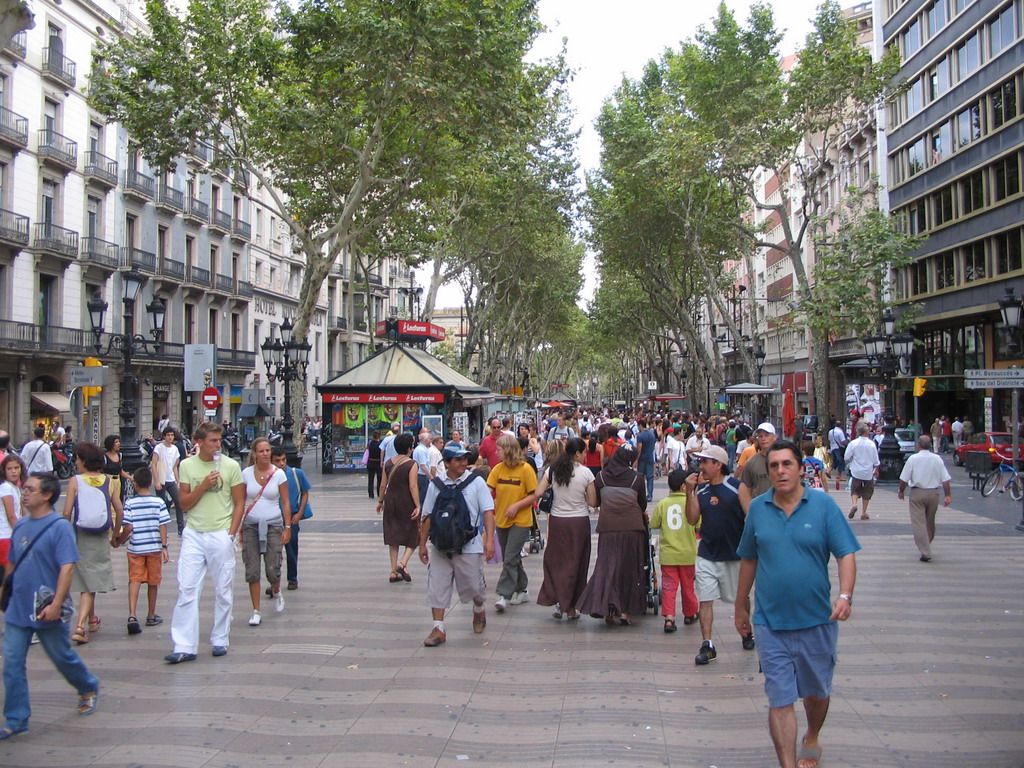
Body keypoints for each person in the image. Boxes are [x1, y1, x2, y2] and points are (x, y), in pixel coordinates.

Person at [734, 440, 860, 768]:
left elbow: (846, 553)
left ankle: (813, 736)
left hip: (817, 619)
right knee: (780, 697)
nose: (780, 471)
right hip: (770, 622)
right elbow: (748, 558)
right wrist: (740, 604)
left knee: (817, 693)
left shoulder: (823, 506)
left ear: (802, 469)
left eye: (787, 464)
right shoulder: (759, 509)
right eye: (774, 466)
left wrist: (845, 596)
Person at [2, 472, 100, 739]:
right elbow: (12, 562)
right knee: (11, 663)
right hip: (18, 608)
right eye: (25, 488)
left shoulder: (59, 527)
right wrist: (4, 592)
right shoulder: (21, 525)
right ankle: (16, 717)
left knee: (61, 656)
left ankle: (88, 685)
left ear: (47, 495)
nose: (25, 492)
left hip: (46, 608)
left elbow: (67, 568)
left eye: (31, 489)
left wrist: (57, 604)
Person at [165, 421, 245, 663]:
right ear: (199, 442)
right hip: (194, 533)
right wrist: (203, 486)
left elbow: (239, 501)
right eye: (212, 440)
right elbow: (184, 503)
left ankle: (220, 638)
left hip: (220, 532)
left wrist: (231, 533)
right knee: (187, 588)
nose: (217, 445)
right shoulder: (188, 465)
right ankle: (184, 644)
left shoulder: (231, 466)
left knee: (223, 588)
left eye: (219, 440)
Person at [418, 446, 496, 647]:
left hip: (469, 545)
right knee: (437, 587)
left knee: (474, 587)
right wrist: (422, 544)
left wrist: (488, 541)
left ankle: (478, 610)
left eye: (464, 459)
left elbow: (488, 511)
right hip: (440, 546)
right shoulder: (436, 484)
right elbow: (426, 515)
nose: (463, 463)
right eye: (458, 460)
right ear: (447, 463)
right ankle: (438, 628)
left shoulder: (476, 482)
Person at [684, 445, 752, 664]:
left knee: (740, 599)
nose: (701, 466)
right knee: (705, 600)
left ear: (718, 465)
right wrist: (689, 492)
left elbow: (750, 515)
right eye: (700, 462)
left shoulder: (736, 487)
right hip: (707, 554)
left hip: (734, 554)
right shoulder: (701, 491)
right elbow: (692, 519)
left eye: (705, 462)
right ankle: (707, 644)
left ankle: (745, 629)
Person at [576, 443, 647, 625]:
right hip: (632, 529)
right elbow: (642, 505)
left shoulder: (601, 476)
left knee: (607, 566)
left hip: (608, 528)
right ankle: (624, 611)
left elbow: (597, 500)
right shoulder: (636, 478)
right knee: (628, 568)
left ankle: (606, 606)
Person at [62, 442, 124, 645]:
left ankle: (80, 626)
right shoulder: (108, 480)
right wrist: (115, 534)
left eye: (78, 459)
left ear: (84, 461)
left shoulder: (75, 481)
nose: (76, 463)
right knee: (92, 579)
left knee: (87, 581)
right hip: (100, 535)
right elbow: (120, 511)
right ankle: (90, 620)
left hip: (80, 535)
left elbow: (66, 513)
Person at [536, 437, 598, 620]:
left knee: (557, 562)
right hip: (578, 522)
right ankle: (571, 606)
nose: (585, 455)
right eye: (584, 452)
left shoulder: (552, 470)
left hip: (557, 521)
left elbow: (539, 493)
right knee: (577, 563)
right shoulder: (586, 473)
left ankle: (558, 601)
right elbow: (593, 502)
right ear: (577, 453)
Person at [240, 438, 291, 626]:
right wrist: (237, 527)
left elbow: (285, 502)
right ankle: (256, 610)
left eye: (267, 450)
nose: (265, 454)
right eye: (261, 451)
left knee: (272, 567)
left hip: (273, 524)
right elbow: (240, 501)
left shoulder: (278, 474)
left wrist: (287, 527)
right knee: (252, 569)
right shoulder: (245, 473)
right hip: (251, 525)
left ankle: (276, 590)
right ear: (254, 453)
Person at [117, 466, 170, 635]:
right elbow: (163, 525)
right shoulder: (159, 502)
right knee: (153, 582)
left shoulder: (130, 503)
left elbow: (128, 527)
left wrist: (120, 539)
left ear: (136, 485)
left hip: (136, 547)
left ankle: (132, 615)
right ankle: (151, 614)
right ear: (150, 484)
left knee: (134, 580)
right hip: (154, 548)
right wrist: (164, 546)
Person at [488, 434, 538, 612]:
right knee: (513, 558)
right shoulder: (498, 469)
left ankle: (503, 595)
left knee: (509, 557)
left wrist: (517, 506)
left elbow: (534, 494)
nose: (496, 452)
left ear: (508, 450)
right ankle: (522, 589)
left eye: (499, 449)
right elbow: (489, 489)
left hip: (521, 520)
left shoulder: (525, 469)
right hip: (502, 519)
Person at [650, 468, 698, 632]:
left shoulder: (663, 504)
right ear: (685, 487)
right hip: (687, 554)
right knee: (688, 587)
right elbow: (698, 525)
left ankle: (669, 618)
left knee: (669, 587)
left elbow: (654, 524)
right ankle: (690, 613)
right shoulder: (691, 503)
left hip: (668, 555)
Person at [897, 436, 951, 563]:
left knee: (919, 523)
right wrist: (948, 495)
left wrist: (901, 491)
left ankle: (925, 551)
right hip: (933, 493)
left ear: (919, 445)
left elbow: (904, 478)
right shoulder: (937, 459)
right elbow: (945, 479)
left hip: (917, 492)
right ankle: (927, 543)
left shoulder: (913, 459)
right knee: (929, 522)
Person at [376, 432, 419, 583]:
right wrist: (418, 505)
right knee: (413, 534)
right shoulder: (411, 464)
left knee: (393, 536)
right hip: (406, 501)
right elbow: (413, 486)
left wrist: (381, 501)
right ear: (409, 448)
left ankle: (393, 570)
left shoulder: (388, 463)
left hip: (390, 501)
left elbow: (382, 485)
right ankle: (403, 563)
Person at [272, 446, 310, 589]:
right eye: (277, 461)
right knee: (273, 550)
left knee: (291, 548)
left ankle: (292, 578)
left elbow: (305, 492)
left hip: (292, 515)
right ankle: (274, 581)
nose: (281, 463)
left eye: (283, 460)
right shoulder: (270, 476)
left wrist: (299, 513)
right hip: (274, 516)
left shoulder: (296, 473)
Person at [152, 426, 185, 535]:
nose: (170, 437)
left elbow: (175, 466)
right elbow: (154, 464)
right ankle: (161, 529)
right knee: (161, 505)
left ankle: (181, 528)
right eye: (168, 435)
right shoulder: (159, 448)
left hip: (170, 479)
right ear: (164, 436)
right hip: (161, 479)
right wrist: (156, 481)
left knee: (178, 501)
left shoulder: (175, 449)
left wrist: (177, 480)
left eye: (172, 435)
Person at [739, 423, 778, 513]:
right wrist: (750, 514)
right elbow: (745, 490)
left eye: (767, 435)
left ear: (774, 437)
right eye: (760, 436)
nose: (763, 439)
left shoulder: (783, 460)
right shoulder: (751, 463)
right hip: (760, 511)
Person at [844, 423, 879, 521]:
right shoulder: (871, 444)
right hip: (868, 472)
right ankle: (864, 512)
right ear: (866, 432)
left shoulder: (853, 443)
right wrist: (876, 468)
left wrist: (852, 461)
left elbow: (846, 456)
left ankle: (854, 504)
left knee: (855, 489)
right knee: (867, 491)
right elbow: (876, 459)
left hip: (856, 471)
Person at [0, 454, 26, 566]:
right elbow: (11, 516)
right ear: (4, 471)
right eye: (9, 469)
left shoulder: (15, 487)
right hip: (6, 536)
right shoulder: (6, 487)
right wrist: (23, 535)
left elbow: (21, 512)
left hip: (11, 536)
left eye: (16, 468)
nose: (13, 471)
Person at [102, 435, 132, 505]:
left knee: (117, 500)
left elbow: (120, 471)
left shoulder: (119, 455)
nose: (119, 444)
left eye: (119, 441)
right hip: (108, 480)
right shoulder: (104, 457)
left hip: (118, 481)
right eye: (116, 442)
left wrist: (131, 478)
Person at [635, 419, 657, 502]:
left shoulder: (640, 436)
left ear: (640, 425)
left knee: (640, 477)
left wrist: (636, 459)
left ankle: (641, 494)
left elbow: (639, 449)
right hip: (650, 457)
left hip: (642, 459)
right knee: (650, 477)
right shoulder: (652, 434)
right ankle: (650, 495)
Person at [412, 428, 433, 504]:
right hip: (422, 476)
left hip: (422, 476)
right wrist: (431, 477)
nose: (430, 441)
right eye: (430, 439)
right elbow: (423, 466)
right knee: (423, 497)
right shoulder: (421, 450)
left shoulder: (422, 449)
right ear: (426, 440)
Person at [826, 419, 848, 488]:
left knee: (835, 460)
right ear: (841, 425)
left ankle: (829, 471)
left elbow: (829, 440)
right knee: (840, 461)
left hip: (833, 448)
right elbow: (843, 441)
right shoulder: (840, 432)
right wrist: (847, 446)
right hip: (839, 449)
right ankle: (839, 476)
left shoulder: (830, 431)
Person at [366, 430, 383, 500]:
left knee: (370, 479)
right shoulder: (381, 444)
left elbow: (367, 450)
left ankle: (371, 493)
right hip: (378, 462)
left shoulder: (370, 443)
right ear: (379, 436)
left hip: (370, 461)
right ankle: (379, 493)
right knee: (379, 479)